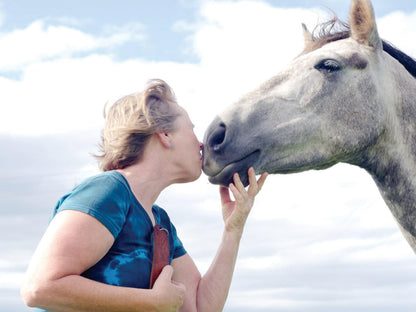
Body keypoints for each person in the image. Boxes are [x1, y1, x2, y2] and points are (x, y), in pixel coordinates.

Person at [20, 79, 268, 312]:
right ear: (165, 134)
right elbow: (39, 287)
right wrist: (151, 302)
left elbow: (199, 306)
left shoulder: (160, 222)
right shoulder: (108, 191)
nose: (201, 143)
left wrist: (233, 229)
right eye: (191, 129)